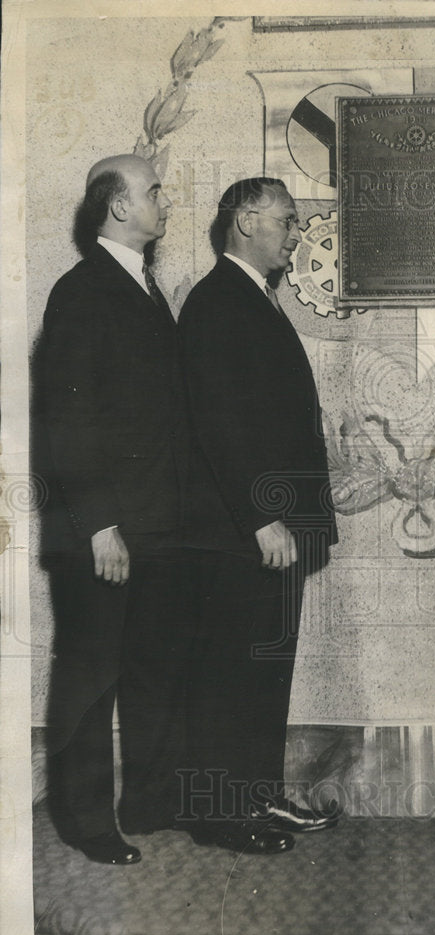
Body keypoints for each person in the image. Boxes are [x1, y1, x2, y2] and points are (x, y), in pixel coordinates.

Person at [35, 154, 191, 865]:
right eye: (153, 190)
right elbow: (67, 421)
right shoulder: (82, 291)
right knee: (91, 676)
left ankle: (149, 802)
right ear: (119, 208)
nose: (165, 199)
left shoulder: (141, 286)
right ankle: (85, 820)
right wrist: (99, 523)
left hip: (152, 523)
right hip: (101, 531)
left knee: (152, 668)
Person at [177, 177, 338, 855]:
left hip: (274, 528)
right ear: (246, 221)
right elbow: (219, 425)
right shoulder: (217, 302)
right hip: (249, 533)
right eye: (286, 222)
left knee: (263, 670)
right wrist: (261, 518)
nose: (295, 235)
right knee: (231, 674)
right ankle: (219, 814)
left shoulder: (252, 298)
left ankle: (255, 795)